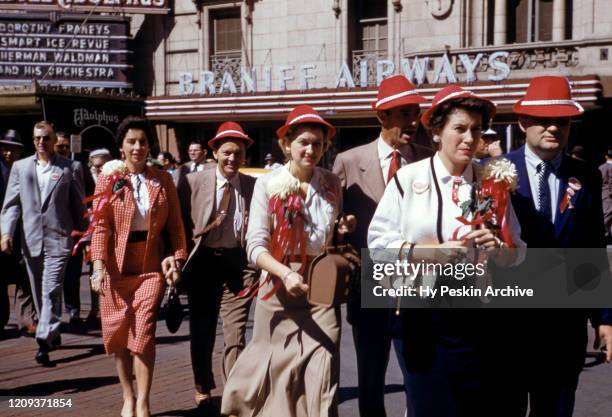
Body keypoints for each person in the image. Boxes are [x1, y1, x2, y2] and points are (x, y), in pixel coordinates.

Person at [368, 84, 525, 417]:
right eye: (460, 128)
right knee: (430, 408)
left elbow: (519, 251)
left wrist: (498, 248)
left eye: (476, 129)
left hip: (479, 320)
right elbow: (378, 244)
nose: (470, 138)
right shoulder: (408, 179)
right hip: (421, 318)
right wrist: (432, 253)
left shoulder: (491, 184)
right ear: (436, 131)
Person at [222, 105, 353, 417]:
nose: (311, 150)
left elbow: (329, 235)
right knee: (278, 373)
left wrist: (343, 228)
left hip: (321, 288)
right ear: (286, 144)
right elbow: (255, 246)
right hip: (277, 288)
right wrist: (285, 273)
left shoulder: (332, 183)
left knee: (322, 370)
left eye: (318, 144)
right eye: (303, 142)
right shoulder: (268, 184)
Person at [502, 76, 612, 416]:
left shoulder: (587, 176)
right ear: (523, 122)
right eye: (544, 121)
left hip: (563, 328)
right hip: (507, 328)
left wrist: (603, 318)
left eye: (561, 122)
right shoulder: (493, 173)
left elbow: (592, 250)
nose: (553, 128)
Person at [332, 74, 433, 417]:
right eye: (404, 113)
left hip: (419, 287)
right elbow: (333, 227)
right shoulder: (347, 161)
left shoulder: (429, 159)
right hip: (369, 286)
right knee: (371, 378)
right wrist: (342, 229)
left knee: (419, 377)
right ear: (382, 117)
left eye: (415, 112)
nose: (412, 121)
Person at [89, 116, 187, 417]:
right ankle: (128, 396)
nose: (138, 147)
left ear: (150, 147)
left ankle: (143, 401)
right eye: (131, 141)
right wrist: (98, 265)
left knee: (143, 332)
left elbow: (176, 227)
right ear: (122, 147)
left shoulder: (163, 179)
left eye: (143, 142)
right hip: (115, 268)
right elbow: (101, 226)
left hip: (150, 267)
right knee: (118, 333)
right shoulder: (109, 179)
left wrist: (178, 259)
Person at [178, 122, 256, 410]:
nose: (232, 159)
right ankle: (202, 385)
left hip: (238, 265)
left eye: (238, 153)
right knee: (203, 328)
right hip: (204, 263)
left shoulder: (253, 186)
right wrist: (177, 260)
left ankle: (233, 393)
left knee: (236, 333)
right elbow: (180, 226)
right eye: (226, 153)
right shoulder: (193, 182)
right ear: (215, 153)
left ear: (245, 154)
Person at [1, 121, 87, 365]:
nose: (41, 142)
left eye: (46, 138)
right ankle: (52, 328)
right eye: (37, 138)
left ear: (53, 141)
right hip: (31, 240)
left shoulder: (70, 168)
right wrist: (6, 233)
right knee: (40, 292)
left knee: (50, 288)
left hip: (59, 239)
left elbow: (79, 205)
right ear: (33, 140)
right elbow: (11, 205)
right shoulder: (21, 167)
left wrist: (86, 236)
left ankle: (42, 340)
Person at [0, 129, 37, 338]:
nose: (8, 153)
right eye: (5, 149)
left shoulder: (25, 169)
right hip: (3, 231)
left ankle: (26, 321)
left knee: (24, 277)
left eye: (13, 150)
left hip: (23, 231)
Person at [600, 149, 612, 242]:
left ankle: (604, 234)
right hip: (608, 193)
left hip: (606, 193)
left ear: (606, 156)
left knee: (606, 214)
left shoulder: (602, 167)